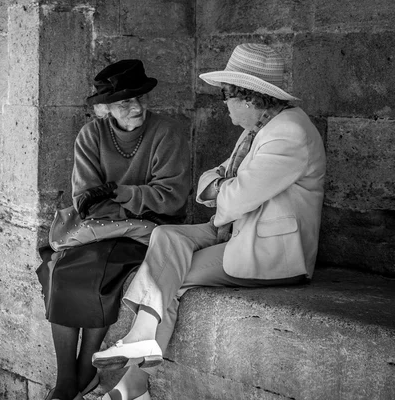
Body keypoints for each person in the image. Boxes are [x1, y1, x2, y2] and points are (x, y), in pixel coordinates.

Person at [91, 43, 326, 400]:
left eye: (226, 96)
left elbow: (232, 196)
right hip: (239, 230)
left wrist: (221, 187)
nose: (223, 104)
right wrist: (221, 186)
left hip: (272, 251)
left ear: (248, 98)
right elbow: (209, 182)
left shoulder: (288, 133)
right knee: (167, 239)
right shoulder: (259, 129)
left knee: (169, 273)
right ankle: (137, 362)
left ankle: (135, 376)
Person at [38, 59, 191, 400]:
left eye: (139, 98)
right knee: (59, 270)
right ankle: (68, 378)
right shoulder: (92, 135)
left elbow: (171, 198)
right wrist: (130, 199)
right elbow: (86, 199)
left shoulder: (166, 132)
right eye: (124, 102)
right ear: (105, 108)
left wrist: (120, 193)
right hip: (100, 228)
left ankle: (84, 372)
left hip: (152, 230)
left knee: (102, 271)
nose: (135, 107)